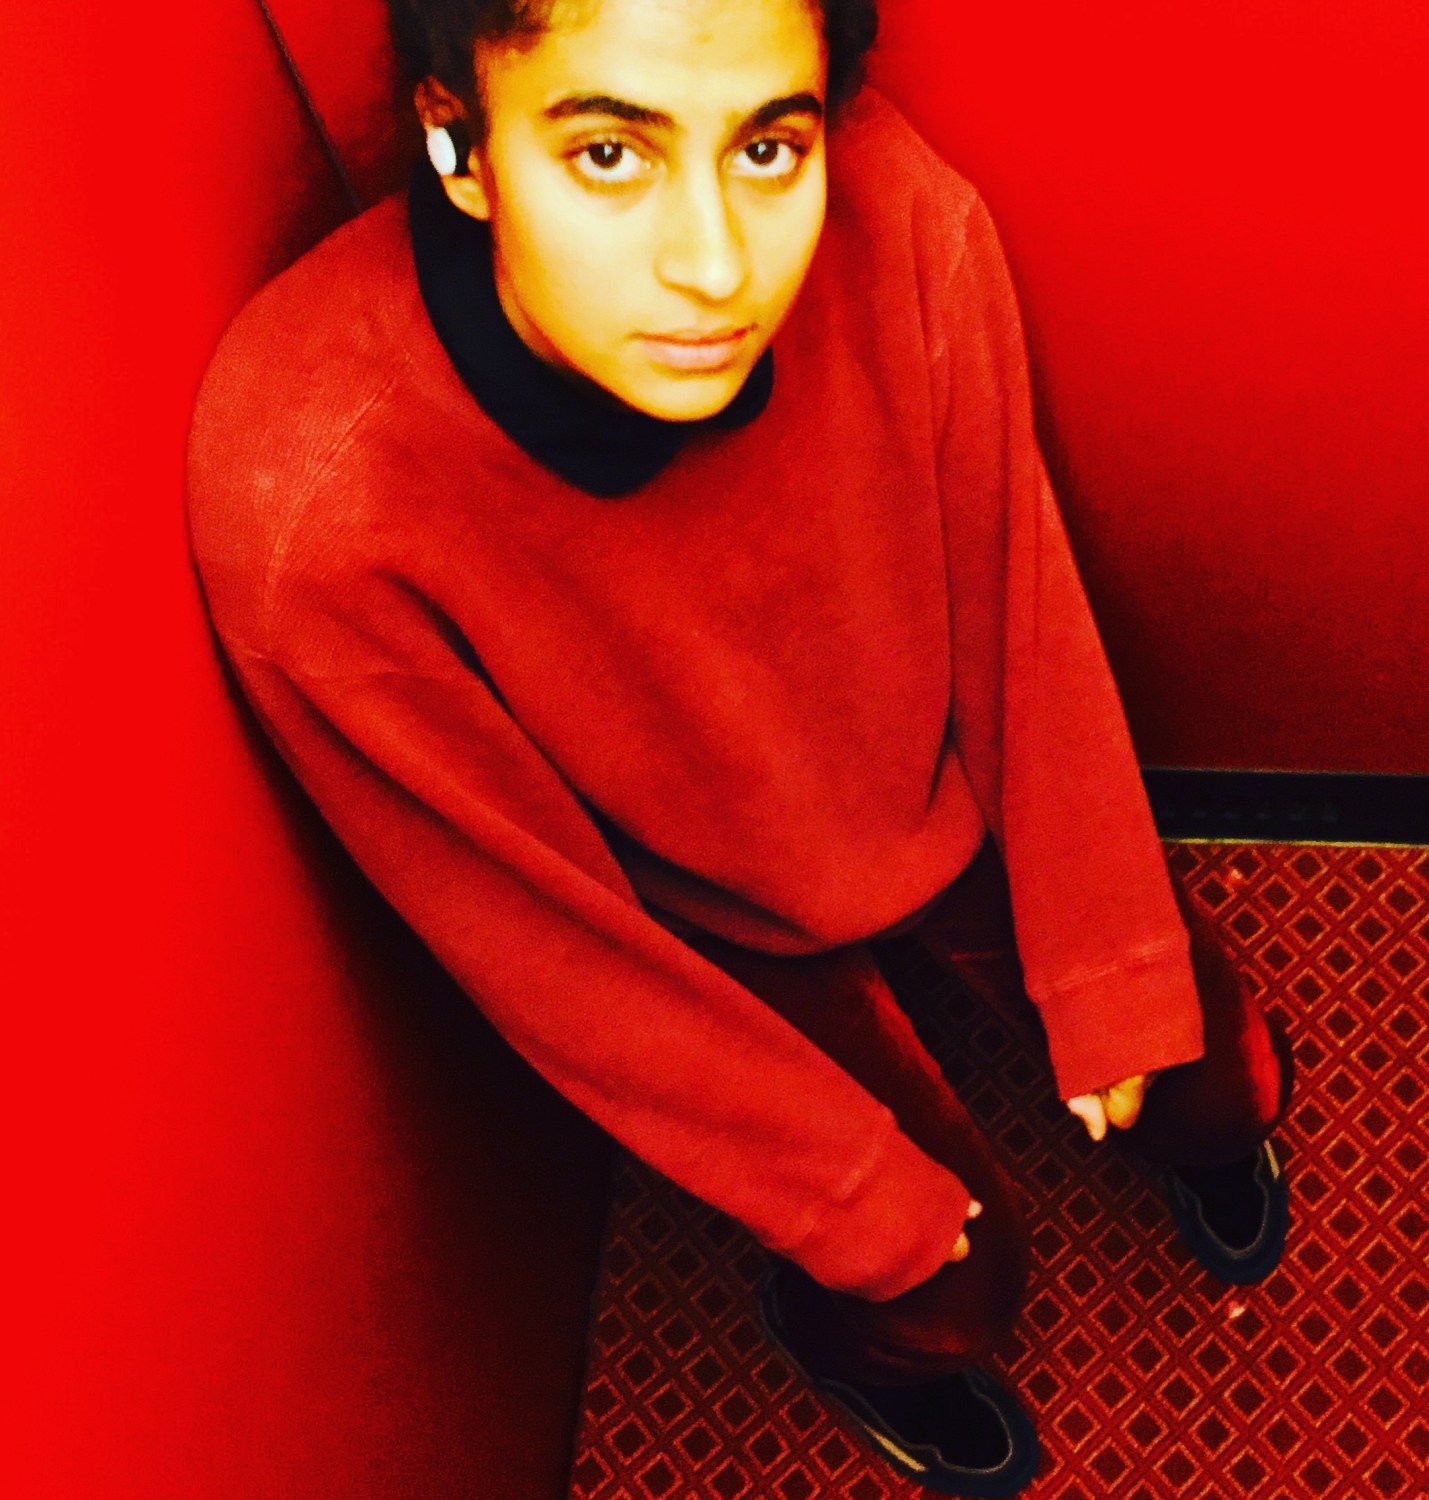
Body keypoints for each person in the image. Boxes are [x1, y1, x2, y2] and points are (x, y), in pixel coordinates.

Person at [185, 0, 1294, 1492]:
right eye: (610, 153)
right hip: (697, 913)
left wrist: (1110, 962)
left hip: (926, 782)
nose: (716, 269)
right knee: (939, 1284)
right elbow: (539, 942)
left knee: (1207, 1071)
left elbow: (1020, 602)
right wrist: (845, 1188)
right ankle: (864, 1350)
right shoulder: (309, 494)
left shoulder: (901, 214)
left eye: (768, 147)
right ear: (460, 143)